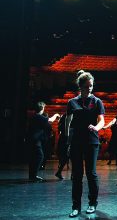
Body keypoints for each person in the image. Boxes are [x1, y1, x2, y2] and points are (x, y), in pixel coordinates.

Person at [65, 71, 105, 217]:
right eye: (87, 86)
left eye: (91, 86)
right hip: (76, 141)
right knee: (77, 175)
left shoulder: (97, 101)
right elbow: (68, 123)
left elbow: (101, 120)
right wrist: (68, 140)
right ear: (80, 86)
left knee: (91, 173)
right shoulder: (72, 102)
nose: (90, 88)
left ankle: (92, 203)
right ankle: (76, 206)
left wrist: (96, 127)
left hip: (92, 141)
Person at [27, 101, 59, 181]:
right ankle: (33, 176)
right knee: (39, 156)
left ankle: (32, 176)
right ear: (42, 108)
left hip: (32, 140)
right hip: (35, 140)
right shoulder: (38, 116)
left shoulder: (35, 116)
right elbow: (50, 120)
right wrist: (56, 115)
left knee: (34, 157)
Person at [55, 113, 70, 179]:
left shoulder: (62, 122)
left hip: (63, 139)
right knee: (69, 155)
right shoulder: (69, 118)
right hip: (68, 138)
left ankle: (59, 171)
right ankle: (73, 174)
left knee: (66, 155)